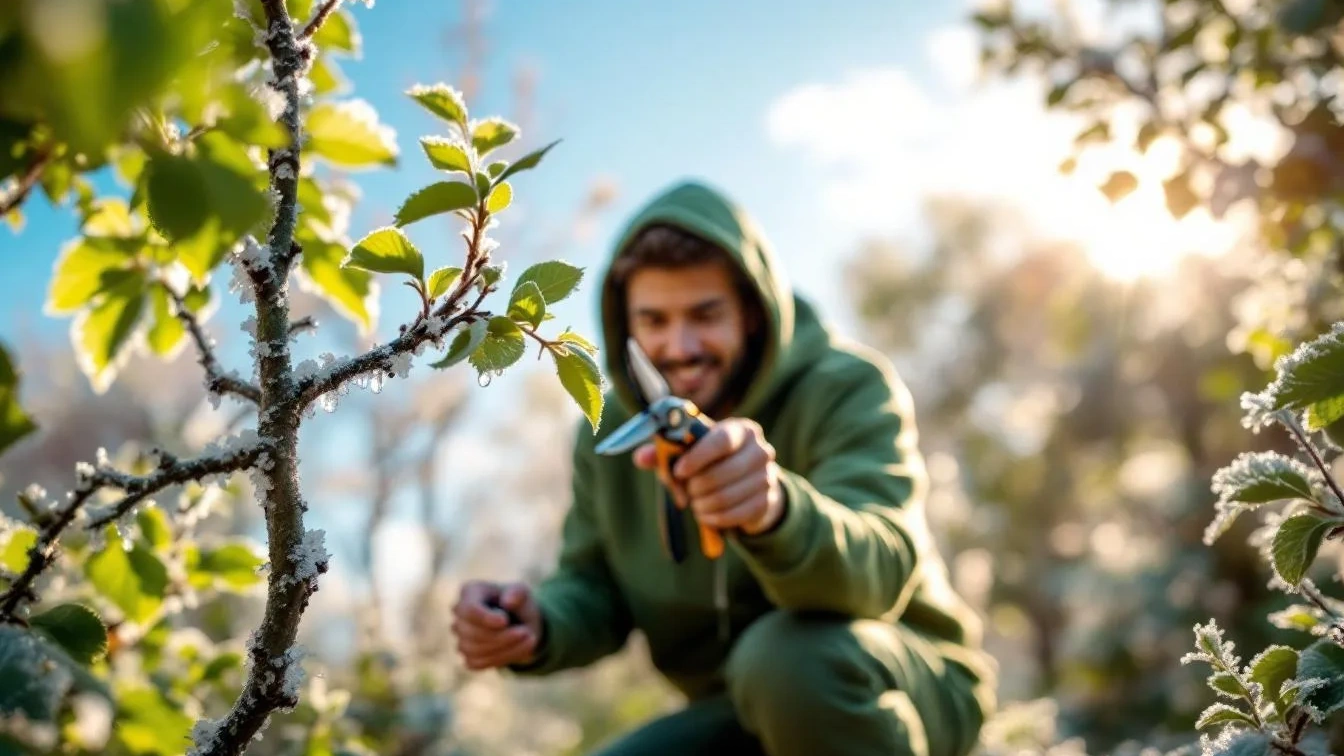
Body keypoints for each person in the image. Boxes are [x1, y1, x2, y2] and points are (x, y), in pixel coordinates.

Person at [450, 179, 997, 756]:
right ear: (625, 325)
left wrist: (776, 512)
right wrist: (536, 625)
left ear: (753, 313)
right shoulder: (606, 432)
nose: (680, 346)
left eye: (705, 315)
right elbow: (595, 586)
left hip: (897, 682)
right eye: (654, 321)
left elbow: (881, 568)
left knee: (789, 664)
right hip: (734, 711)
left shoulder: (849, 387)